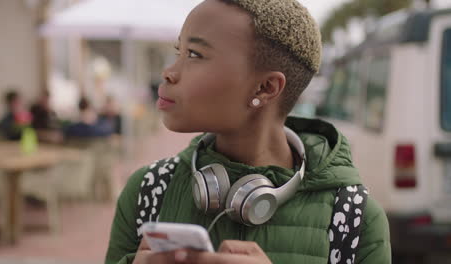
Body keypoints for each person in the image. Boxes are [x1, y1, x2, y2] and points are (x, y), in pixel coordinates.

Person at [105, 1, 391, 264]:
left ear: (265, 88)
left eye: (194, 54)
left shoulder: (356, 219)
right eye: (179, 52)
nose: (168, 72)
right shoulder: (148, 191)